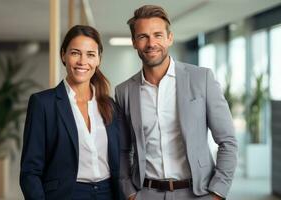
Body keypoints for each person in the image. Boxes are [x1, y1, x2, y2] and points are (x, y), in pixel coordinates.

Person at [115, 5, 237, 200]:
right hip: (146, 193)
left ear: (169, 38)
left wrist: (217, 193)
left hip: (198, 193)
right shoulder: (124, 91)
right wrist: (130, 192)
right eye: (143, 36)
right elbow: (122, 149)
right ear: (134, 42)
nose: (151, 43)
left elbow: (227, 141)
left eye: (158, 35)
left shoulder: (202, 79)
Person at [20, 25, 120, 200]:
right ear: (63, 55)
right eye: (75, 53)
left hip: (108, 193)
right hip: (66, 194)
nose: (82, 61)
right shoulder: (43, 103)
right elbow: (30, 171)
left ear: (98, 60)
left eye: (90, 54)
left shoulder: (109, 105)